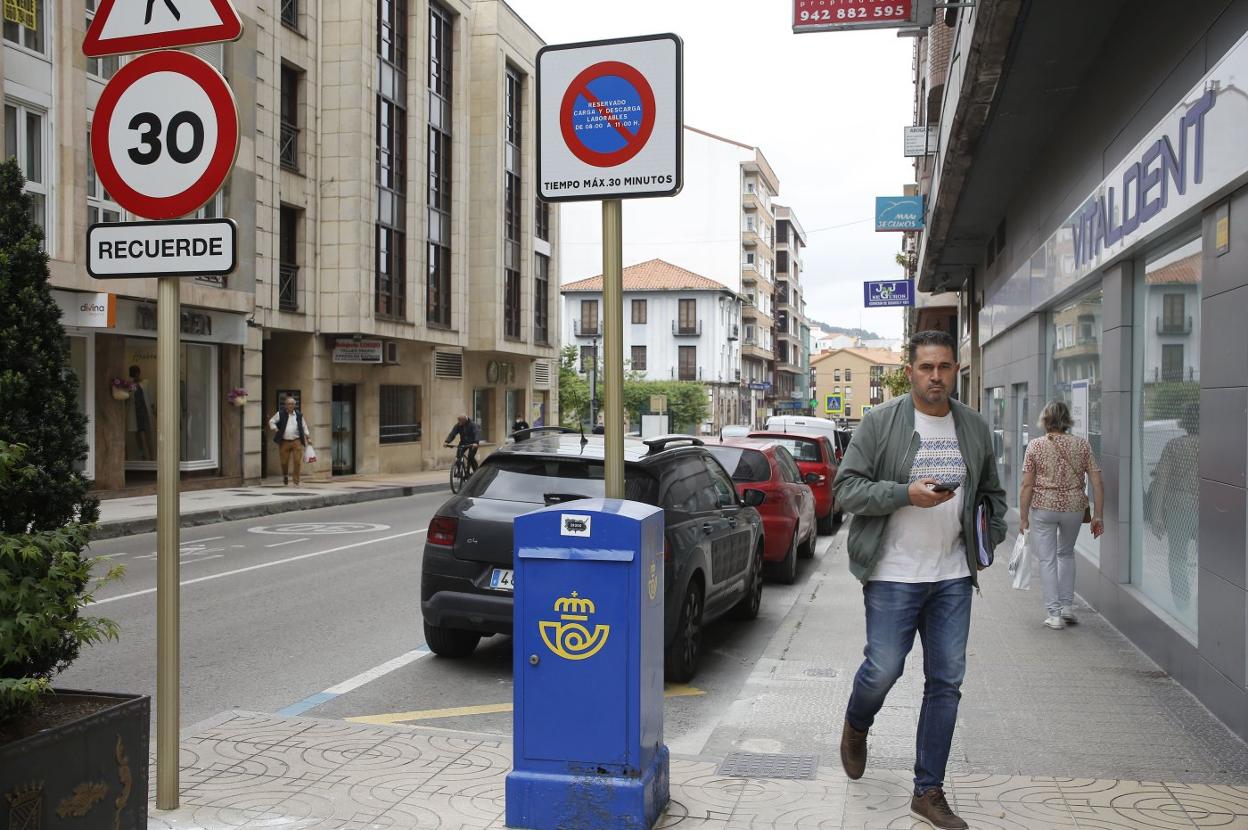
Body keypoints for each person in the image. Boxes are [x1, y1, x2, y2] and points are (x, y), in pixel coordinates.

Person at [833, 330, 1007, 830]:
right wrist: (904, 494)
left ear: (956, 370)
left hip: (952, 575)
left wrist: (987, 540)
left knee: (946, 682)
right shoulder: (879, 422)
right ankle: (856, 723)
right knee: (883, 669)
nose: (936, 376)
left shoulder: (973, 426)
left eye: (945, 367)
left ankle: (927, 790)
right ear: (909, 372)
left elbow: (992, 494)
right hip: (893, 572)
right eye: (927, 367)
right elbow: (846, 490)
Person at [1018, 400, 1104, 629]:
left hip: (1044, 508)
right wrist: (1098, 515)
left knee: (1047, 559)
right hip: (1074, 509)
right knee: (1066, 554)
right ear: (1067, 420)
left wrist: (1023, 517)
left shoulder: (1035, 446)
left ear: (1045, 420)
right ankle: (1067, 607)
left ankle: (1054, 614)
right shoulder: (1082, 445)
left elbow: (1027, 485)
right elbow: (1097, 481)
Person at [1148, 403, 1199, 608]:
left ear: (1185, 422)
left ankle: (1181, 602)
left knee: (1177, 556)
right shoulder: (1214, 446)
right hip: (1206, 509)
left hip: (1179, 507)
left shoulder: (1174, 446)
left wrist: (1156, 516)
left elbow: (1160, 482)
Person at [268, 395, 310, 486]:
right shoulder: (280, 414)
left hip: (296, 441)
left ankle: (296, 480)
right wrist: (275, 428)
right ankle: (285, 476)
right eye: (289, 404)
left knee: (297, 461)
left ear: (294, 405)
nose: (291, 405)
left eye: (292, 404)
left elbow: (304, 426)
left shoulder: (299, 415)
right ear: (285, 405)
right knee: (284, 462)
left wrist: (308, 437)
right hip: (284, 441)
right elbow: (271, 421)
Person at [128, 365, 155, 461]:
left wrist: (153, 409)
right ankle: (143, 456)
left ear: (138, 373)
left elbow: (151, 397)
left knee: (148, 435)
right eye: (133, 374)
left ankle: (152, 457)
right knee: (139, 437)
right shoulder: (131, 385)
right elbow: (129, 397)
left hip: (145, 411)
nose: (135, 376)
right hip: (136, 412)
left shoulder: (146, 382)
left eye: (136, 373)